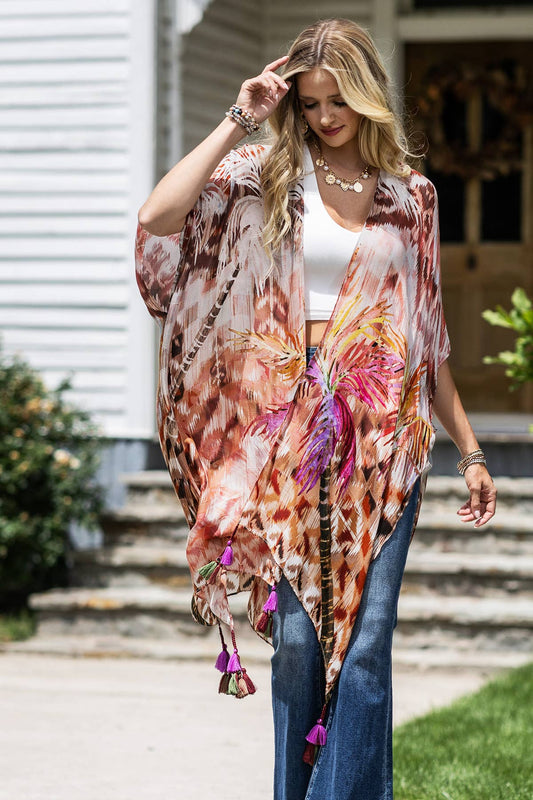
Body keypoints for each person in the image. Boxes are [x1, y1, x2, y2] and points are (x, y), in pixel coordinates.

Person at [135, 17, 497, 800]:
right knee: (300, 640)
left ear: (367, 96)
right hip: (286, 436)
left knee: (365, 644)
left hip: (385, 437)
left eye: (337, 100)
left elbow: (425, 337)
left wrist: (466, 450)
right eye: (309, 103)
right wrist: (243, 111)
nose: (324, 116)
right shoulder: (262, 175)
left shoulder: (413, 198)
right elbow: (161, 218)